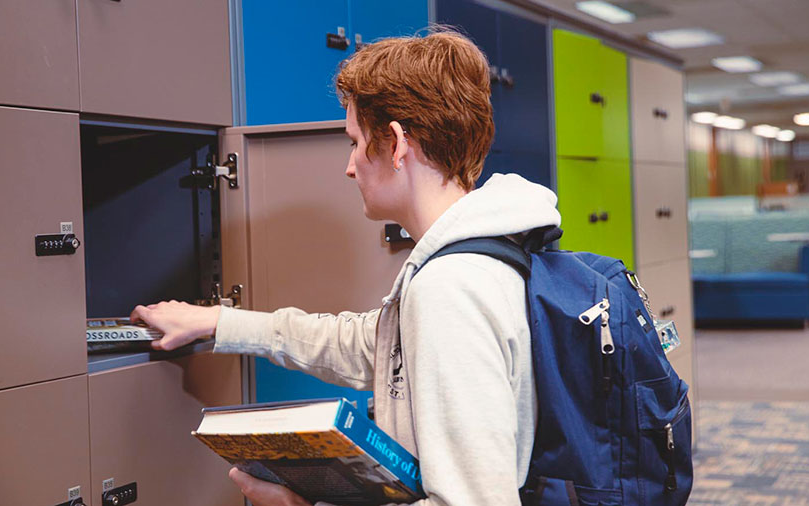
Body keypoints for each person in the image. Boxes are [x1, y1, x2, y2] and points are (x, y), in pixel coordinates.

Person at [130, 30, 561, 505]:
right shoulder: (481, 253)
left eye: (355, 141)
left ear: (396, 144)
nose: (350, 166)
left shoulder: (451, 289)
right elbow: (365, 345)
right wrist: (217, 321)